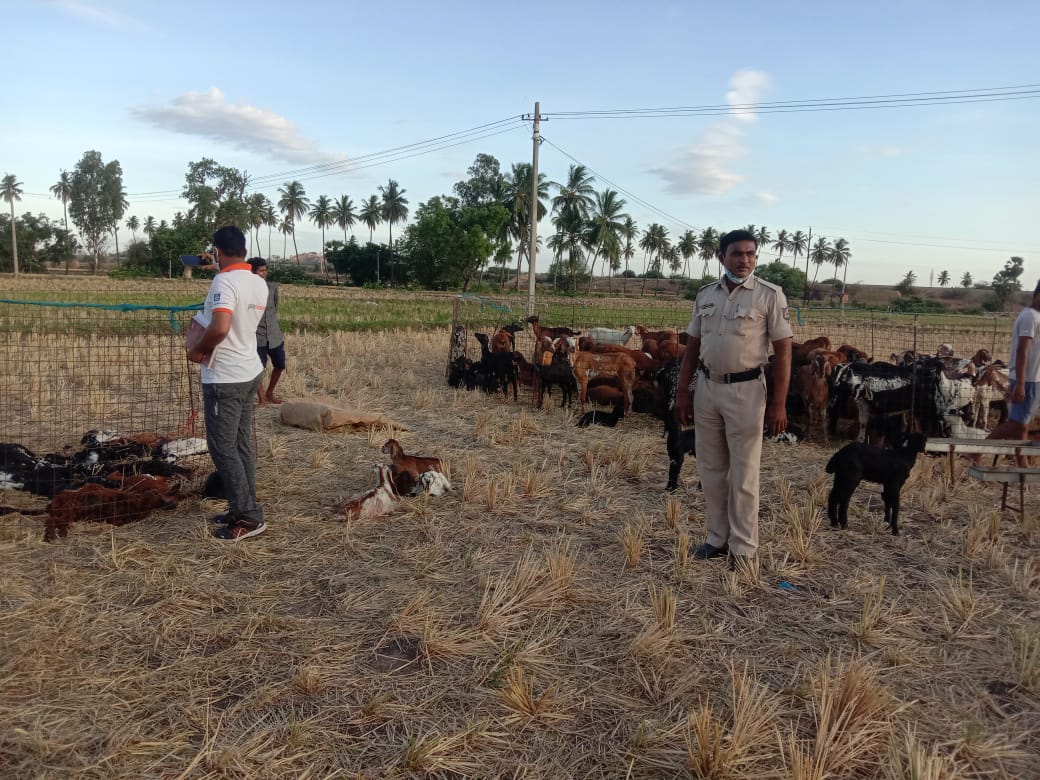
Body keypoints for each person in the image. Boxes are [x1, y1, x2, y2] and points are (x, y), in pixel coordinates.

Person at [674, 229, 793, 570]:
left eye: (751, 254)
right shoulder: (705, 295)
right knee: (711, 470)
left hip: (747, 391)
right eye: (737, 253)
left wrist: (779, 404)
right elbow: (692, 346)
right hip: (708, 388)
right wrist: (683, 391)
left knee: (744, 474)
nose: (745, 260)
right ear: (721, 257)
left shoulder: (770, 295)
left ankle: (742, 548)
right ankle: (716, 539)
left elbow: (783, 352)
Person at [185, 226, 270, 540]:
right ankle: (243, 507)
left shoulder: (224, 281)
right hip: (249, 370)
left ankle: (248, 517)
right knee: (241, 443)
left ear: (218, 252)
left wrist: (197, 350)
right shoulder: (258, 282)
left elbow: (220, 327)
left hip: (225, 376)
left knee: (222, 448)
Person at [977, 280, 1040, 465]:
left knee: (1022, 425)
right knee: (1017, 424)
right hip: (1027, 380)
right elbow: (1022, 350)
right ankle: (978, 451)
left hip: (1033, 379)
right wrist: (1020, 384)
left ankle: (1023, 466)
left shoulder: (1036, 316)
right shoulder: (1030, 316)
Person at [248, 257, 286, 405]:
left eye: (265, 270)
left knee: (280, 365)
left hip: (274, 334)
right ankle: (261, 397)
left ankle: (270, 393)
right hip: (257, 336)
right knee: (258, 368)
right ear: (252, 272)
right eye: (261, 271)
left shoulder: (272, 288)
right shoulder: (248, 291)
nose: (264, 273)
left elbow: (274, 308)